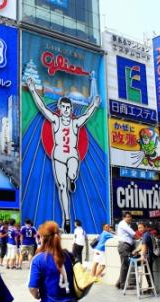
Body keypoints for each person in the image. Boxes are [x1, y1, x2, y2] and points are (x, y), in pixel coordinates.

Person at [26, 77, 101, 233]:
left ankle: (72, 179)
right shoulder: (55, 120)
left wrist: (94, 105)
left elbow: (86, 116)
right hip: (58, 156)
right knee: (62, 187)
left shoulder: (75, 123)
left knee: (72, 173)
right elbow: (42, 107)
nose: (66, 110)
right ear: (59, 108)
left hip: (72, 155)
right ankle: (67, 218)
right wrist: (33, 90)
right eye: (64, 107)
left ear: (71, 109)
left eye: (69, 107)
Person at [28, 221, 81, 302]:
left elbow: (33, 287)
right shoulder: (68, 255)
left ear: (42, 238)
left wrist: (36, 295)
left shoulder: (38, 259)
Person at [115, 212, 135, 290]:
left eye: (130, 217)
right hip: (124, 246)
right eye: (128, 217)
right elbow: (133, 233)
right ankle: (122, 285)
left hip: (126, 246)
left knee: (125, 265)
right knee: (125, 266)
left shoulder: (125, 225)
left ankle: (119, 283)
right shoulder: (123, 224)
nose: (130, 218)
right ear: (124, 218)